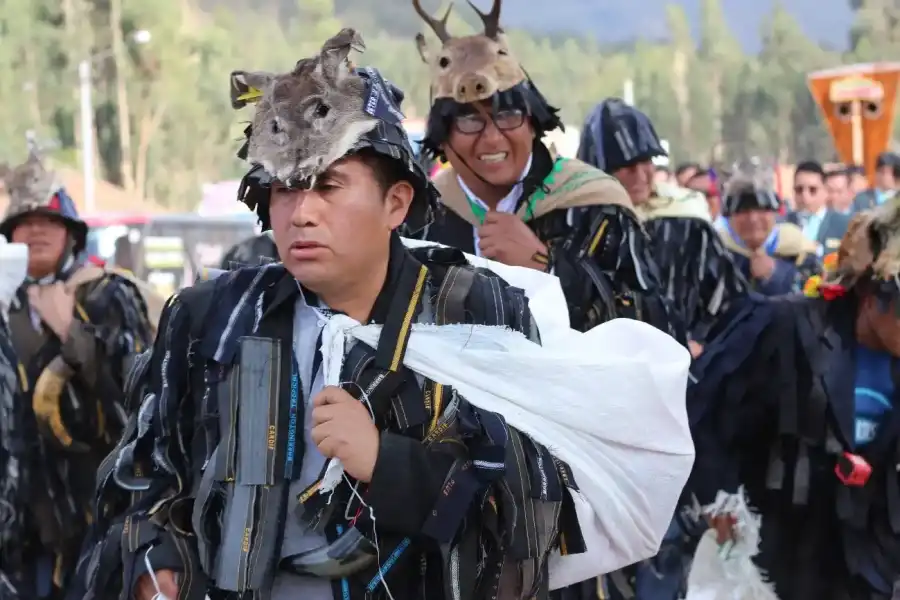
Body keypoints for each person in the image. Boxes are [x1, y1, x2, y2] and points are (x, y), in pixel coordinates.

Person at [79, 29, 598, 600]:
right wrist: (158, 563)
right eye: (282, 188)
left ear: (396, 202)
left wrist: (389, 464)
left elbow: (537, 513)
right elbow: (145, 479)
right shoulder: (214, 319)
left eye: (328, 185)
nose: (301, 213)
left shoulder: (478, 312)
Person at [409, 0, 682, 343]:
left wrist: (546, 266)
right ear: (443, 137)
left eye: (508, 115)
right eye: (468, 119)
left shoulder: (596, 206)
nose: (492, 138)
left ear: (534, 123)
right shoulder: (420, 218)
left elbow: (659, 330)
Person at [688, 198, 900, 599]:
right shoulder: (785, 328)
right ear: (873, 296)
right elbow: (706, 412)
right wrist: (718, 500)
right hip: (781, 553)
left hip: (870, 563)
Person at [0, 151, 155, 599]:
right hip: (15, 529)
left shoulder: (108, 294)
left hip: (91, 518)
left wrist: (74, 332)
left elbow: (142, 391)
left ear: (71, 234)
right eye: (23, 223)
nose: (34, 231)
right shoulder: (4, 308)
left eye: (48, 222)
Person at [578, 99, 747, 354]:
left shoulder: (686, 222)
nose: (641, 174)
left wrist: (700, 341)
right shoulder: (576, 228)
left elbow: (730, 298)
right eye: (626, 166)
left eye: (646, 161)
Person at [716, 165, 819, 296]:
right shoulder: (717, 251)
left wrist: (776, 273)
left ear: (774, 212)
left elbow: (815, 298)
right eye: (743, 210)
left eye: (761, 209)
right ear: (729, 215)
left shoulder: (798, 248)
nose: (753, 218)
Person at [786, 161, 850, 254]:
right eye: (799, 190)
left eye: (812, 190)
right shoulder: (784, 225)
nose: (805, 195)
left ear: (825, 191)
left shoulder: (843, 225)